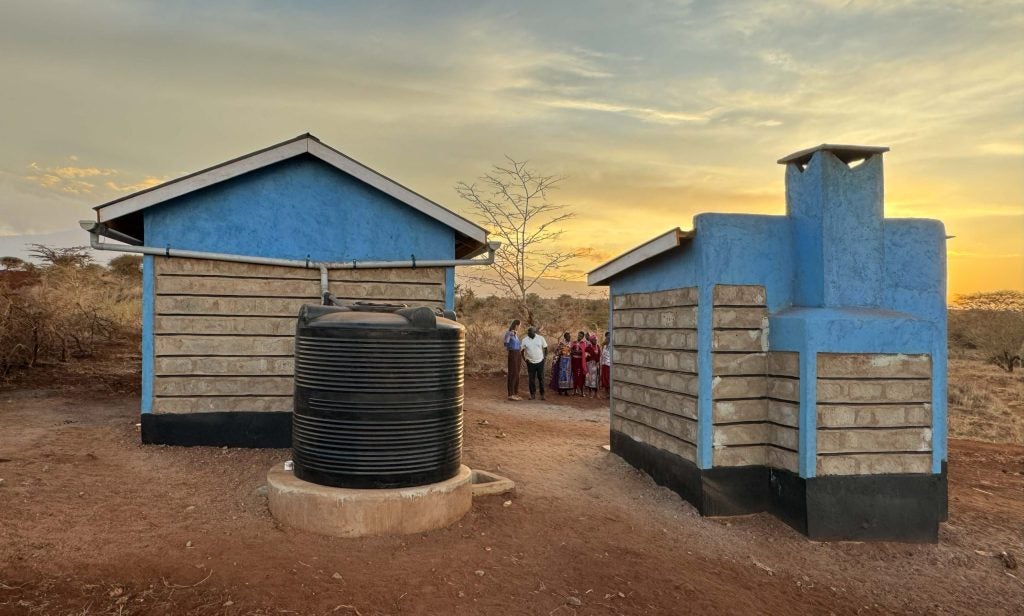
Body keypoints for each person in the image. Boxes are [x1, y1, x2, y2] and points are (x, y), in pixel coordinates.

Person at [520, 326, 548, 400]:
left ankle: (542, 395)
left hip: (540, 361)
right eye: (528, 332)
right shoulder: (525, 340)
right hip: (530, 362)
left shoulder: (541, 338)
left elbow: (545, 348)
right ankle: (532, 394)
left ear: (534, 332)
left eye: (530, 332)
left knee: (541, 378)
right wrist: (525, 359)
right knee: (531, 379)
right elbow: (522, 351)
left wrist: (544, 358)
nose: (528, 333)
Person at [503, 319, 522, 401]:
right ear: (516, 325)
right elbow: (505, 343)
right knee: (512, 373)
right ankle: (510, 394)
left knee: (517, 373)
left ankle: (515, 393)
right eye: (519, 325)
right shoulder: (509, 333)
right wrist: (510, 335)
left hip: (517, 353)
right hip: (512, 353)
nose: (520, 327)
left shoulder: (516, 334)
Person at [570, 331, 587, 396]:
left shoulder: (584, 343)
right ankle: (574, 391)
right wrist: (577, 352)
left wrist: (577, 352)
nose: (579, 336)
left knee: (581, 376)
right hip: (574, 361)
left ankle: (582, 392)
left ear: (583, 337)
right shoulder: (574, 342)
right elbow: (571, 351)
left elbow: (583, 352)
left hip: (580, 362)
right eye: (578, 335)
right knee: (574, 375)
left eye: (581, 336)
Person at [584, 333, 601, 398]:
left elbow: (599, 355)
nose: (596, 341)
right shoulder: (588, 348)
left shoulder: (598, 347)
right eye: (594, 340)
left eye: (596, 340)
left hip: (596, 364)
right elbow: (586, 357)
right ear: (591, 340)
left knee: (596, 379)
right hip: (590, 365)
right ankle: (590, 393)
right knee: (589, 379)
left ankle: (596, 393)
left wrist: (598, 363)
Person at [600, 331, 612, 399]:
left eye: (608, 337)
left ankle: (609, 394)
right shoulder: (604, 346)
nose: (607, 338)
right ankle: (607, 393)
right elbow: (602, 354)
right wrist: (602, 345)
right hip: (604, 364)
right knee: (604, 379)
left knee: (608, 379)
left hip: (609, 364)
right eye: (606, 337)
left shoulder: (611, 346)